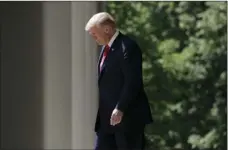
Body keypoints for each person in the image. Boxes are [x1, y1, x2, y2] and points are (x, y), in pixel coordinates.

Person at [85, 12, 153, 150]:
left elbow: (133, 81)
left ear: (107, 29)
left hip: (127, 119)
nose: (93, 37)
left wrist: (120, 108)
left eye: (94, 33)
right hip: (106, 122)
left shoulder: (127, 47)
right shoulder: (105, 48)